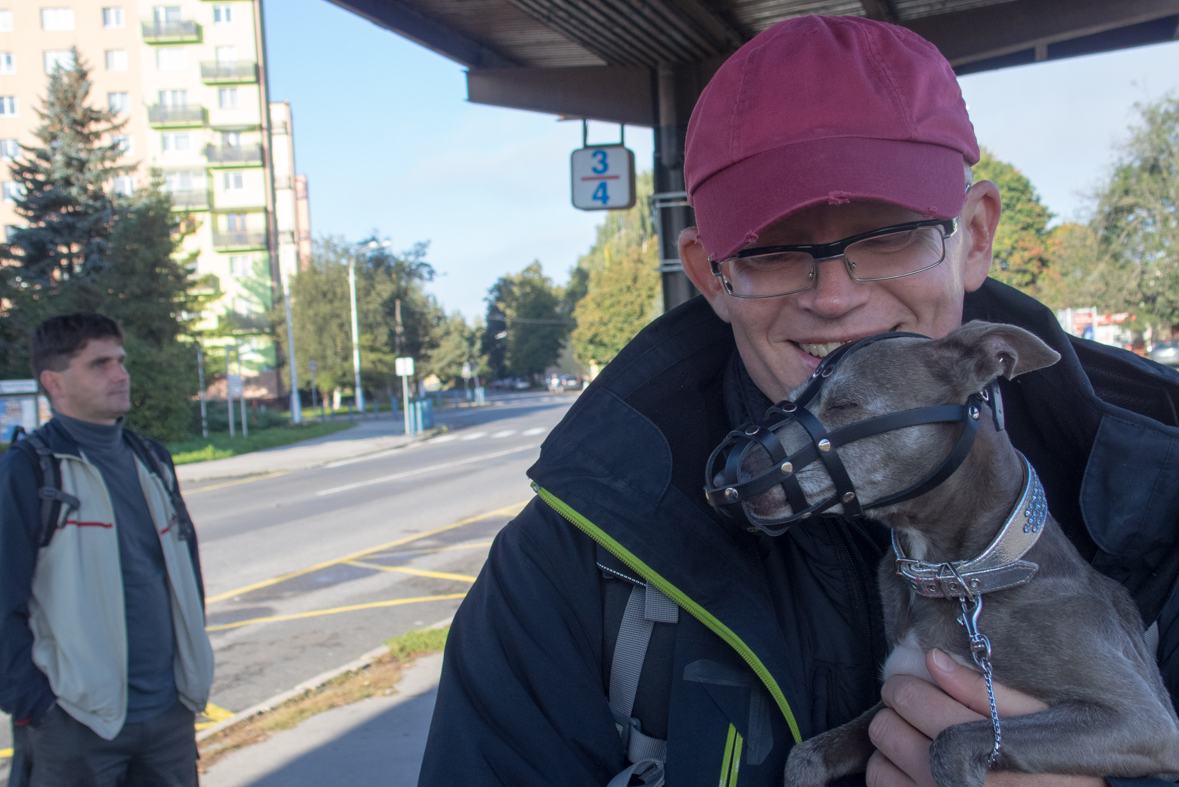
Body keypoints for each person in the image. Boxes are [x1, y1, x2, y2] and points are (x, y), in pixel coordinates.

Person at [418, 15, 1179, 787]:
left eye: (890, 233)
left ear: (974, 235)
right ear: (711, 275)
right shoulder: (568, 563)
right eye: (773, 248)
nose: (835, 297)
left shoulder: (1159, 495)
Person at [0, 313, 214, 786]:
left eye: (121, 360)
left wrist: (188, 679)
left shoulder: (151, 459)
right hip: (77, 722)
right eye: (99, 364)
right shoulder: (30, 471)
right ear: (54, 382)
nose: (121, 374)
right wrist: (39, 708)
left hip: (168, 715)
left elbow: (184, 574)